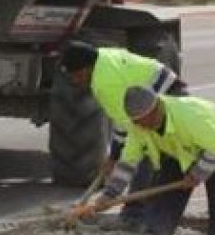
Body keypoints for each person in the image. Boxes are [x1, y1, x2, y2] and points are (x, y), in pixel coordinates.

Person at [72, 86, 215, 235]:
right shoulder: (138, 126)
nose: (140, 126)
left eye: (142, 120)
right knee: (165, 193)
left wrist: (198, 174)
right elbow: (127, 163)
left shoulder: (189, 116)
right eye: (135, 122)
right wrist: (109, 194)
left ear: (155, 109)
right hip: (178, 149)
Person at [57, 41, 186, 224]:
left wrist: (114, 158)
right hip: (164, 88)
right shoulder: (101, 56)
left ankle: (135, 218)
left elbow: (125, 125)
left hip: (163, 96)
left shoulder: (105, 83)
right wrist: (114, 158)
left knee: (147, 156)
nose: (74, 80)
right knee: (145, 156)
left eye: (75, 75)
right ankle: (139, 216)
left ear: (86, 69)